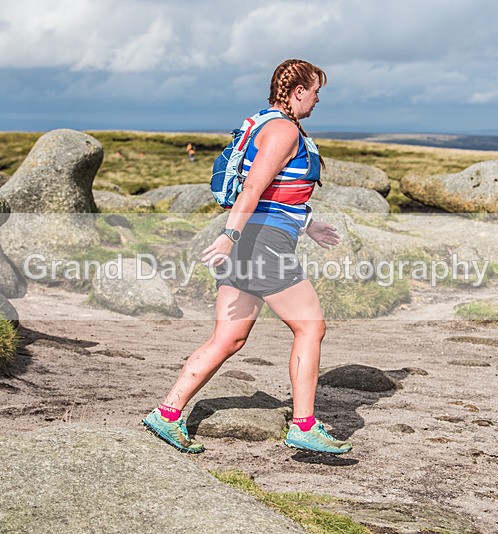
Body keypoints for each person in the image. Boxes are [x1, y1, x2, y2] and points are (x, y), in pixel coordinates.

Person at [143, 59, 352, 455]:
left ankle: (167, 413)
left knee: (228, 337)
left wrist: (307, 224)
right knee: (311, 328)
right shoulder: (283, 130)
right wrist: (228, 236)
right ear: (298, 91)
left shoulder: (264, 123)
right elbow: (253, 188)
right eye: (315, 92)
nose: (317, 100)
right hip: (261, 243)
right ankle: (304, 425)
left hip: (252, 242)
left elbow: (276, 191)